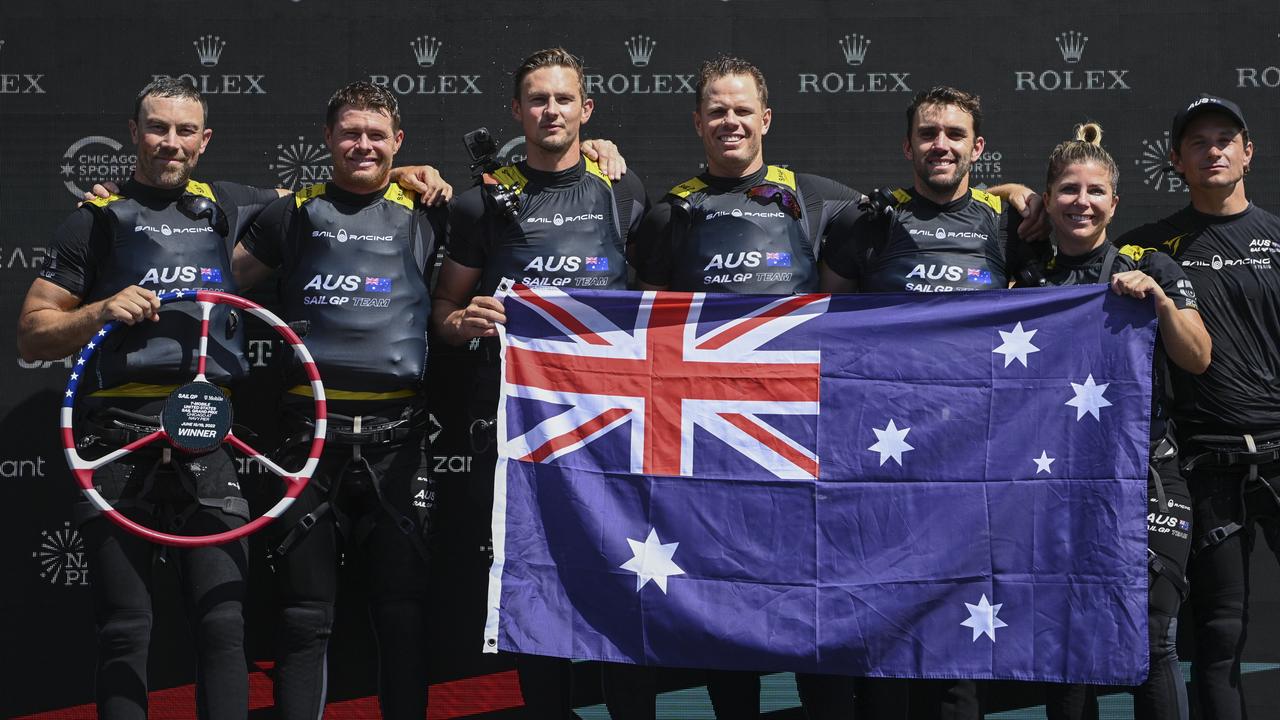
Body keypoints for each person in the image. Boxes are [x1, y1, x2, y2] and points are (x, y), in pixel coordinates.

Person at [15, 78, 287, 720]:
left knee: (224, 628)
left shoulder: (231, 207)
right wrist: (101, 310)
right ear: (134, 133)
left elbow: (336, 196)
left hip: (209, 435)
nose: (171, 142)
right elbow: (32, 330)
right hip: (117, 439)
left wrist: (407, 175)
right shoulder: (95, 218)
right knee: (124, 627)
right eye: (158, 128)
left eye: (184, 130)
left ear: (205, 139)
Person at [631, 55, 864, 720]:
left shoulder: (821, 201)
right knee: (725, 617)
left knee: (812, 610)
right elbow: (645, 334)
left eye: (741, 110)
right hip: (709, 449)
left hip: (800, 444)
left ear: (765, 119)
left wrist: (1015, 196)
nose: (729, 122)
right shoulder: (667, 214)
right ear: (698, 121)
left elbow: (918, 214)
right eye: (716, 111)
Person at [431, 48, 647, 719]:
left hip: (614, 431)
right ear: (517, 111)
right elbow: (442, 315)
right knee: (536, 589)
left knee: (625, 584)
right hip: (520, 433)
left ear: (586, 110)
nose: (550, 111)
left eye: (563, 99)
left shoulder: (624, 189)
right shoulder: (480, 204)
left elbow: (661, 310)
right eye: (537, 99)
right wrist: (466, 322)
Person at [820, 85, 1047, 720]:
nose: (939, 145)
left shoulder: (1011, 225)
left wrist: (1018, 193)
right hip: (879, 461)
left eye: (953, 135)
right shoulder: (864, 223)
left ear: (978, 148)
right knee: (883, 625)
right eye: (927, 134)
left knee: (958, 636)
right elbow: (820, 329)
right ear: (907, 145)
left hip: (971, 460)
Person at [231, 81, 447, 720]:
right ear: (326, 139)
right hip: (310, 441)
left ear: (398, 142)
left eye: (377, 135)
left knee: (404, 617)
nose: (363, 145)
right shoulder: (291, 212)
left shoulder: (430, 209)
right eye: (350, 133)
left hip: (400, 441)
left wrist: (600, 152)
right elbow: (211, 275)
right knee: (302, 619)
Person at [1017, 122, 1210, 720]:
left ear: (1115, 203)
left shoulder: (1148, 266)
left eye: (1095, 191)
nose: (1082, 202)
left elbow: (1198, 356)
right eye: (1068, 190)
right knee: (1070, 646)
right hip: (1056, 481)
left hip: (1145, 476)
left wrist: (1160, 299)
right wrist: (1013, 192)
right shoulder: (1027, 278)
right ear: (1049, 201)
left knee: (1150, 641)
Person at [1116, 95, 1280, 720]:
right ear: (1177, 160)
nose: (1212, 150)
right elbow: (1069, 241)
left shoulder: (1277, 235)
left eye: (1224, 139)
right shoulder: (1148, 248)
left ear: (1247, 152)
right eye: (1197, 143)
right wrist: (1022, 202)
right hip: (1207, 462)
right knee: (1217, 637)